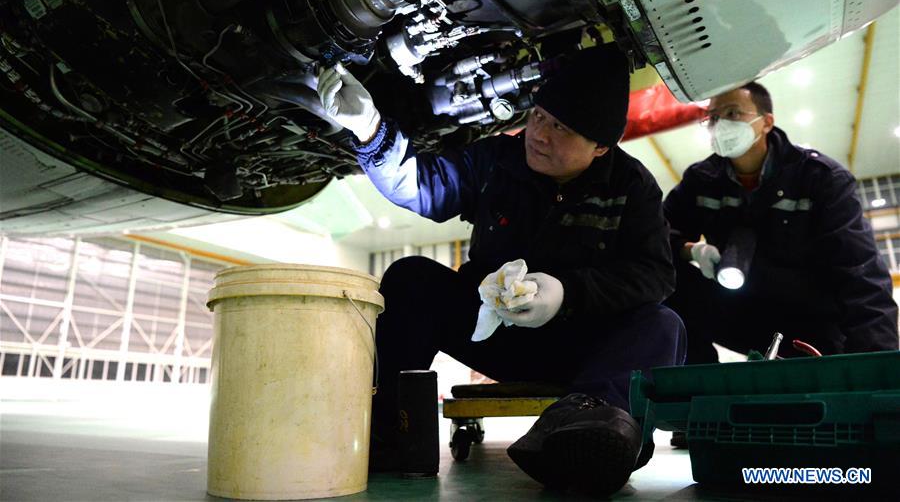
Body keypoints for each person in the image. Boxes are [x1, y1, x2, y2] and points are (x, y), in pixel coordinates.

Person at [317, 44, 686, 495]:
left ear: (600, 147)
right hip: (493, 334)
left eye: (562, 128)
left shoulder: (632, 186)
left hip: (583, 348)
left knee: (662, 323)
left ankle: (594, 431)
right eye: (539, 116)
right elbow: (423, 184)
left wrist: (567, 294)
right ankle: (393, 432)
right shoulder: (497, 161)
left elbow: (655, 274)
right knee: (411, 277)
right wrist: (371, 131)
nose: (539, 134)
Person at [664, 82, 899, 367]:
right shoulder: (702, 180)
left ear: (766, 122)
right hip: (742, 308)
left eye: (732, 113)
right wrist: (690, 250)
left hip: (812, 319)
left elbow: (860, 272)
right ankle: (697, 383)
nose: (720, 124)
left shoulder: (820, 178)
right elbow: (656, 234)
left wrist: (876, 366)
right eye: (712, 117)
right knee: (665, 277)